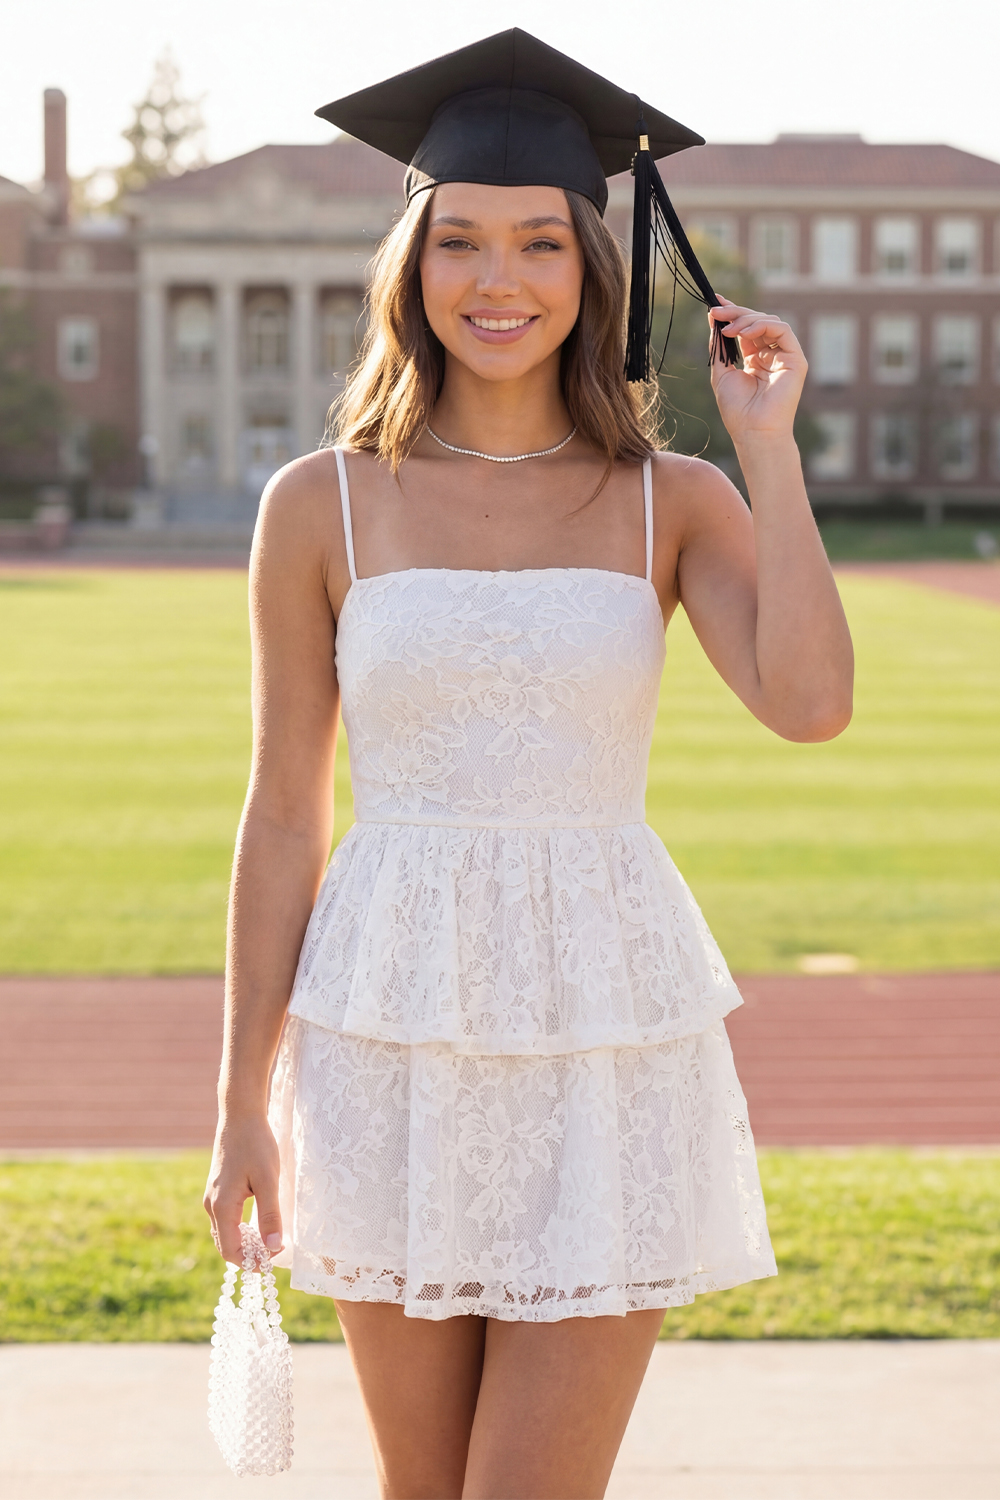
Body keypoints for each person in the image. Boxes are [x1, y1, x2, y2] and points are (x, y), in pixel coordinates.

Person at [204, 30, 854, 1500]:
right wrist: (242, 1097)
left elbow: (811, 701)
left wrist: (770, 450)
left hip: (606, 1040)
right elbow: (285, 814)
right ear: (412, 267)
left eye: (541, 244)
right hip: (388, 1039)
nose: (500, 282)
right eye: (462, 244)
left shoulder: (670, 502)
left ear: (592, 270)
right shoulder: (321, 506)